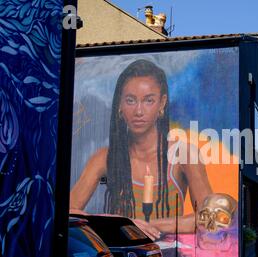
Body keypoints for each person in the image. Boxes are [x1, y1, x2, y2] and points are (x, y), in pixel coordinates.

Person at [70, 59, 234, 241]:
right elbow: (68, 212)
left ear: (162, 103)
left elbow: (209, 218)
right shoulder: (104, 157)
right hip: (120, 256)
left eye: (149, 100)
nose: (139, 111)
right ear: (119, 105)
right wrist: (120, 222)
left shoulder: (184, 154)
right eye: (130, 100)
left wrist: (144, 226)